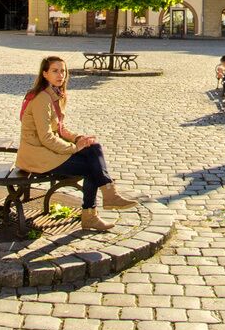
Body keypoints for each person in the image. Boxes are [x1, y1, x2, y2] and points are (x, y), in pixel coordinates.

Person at [17, 56, 136, 230]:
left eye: (63, 71)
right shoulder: (42, 99)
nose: (60, 75)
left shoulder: (54, 95)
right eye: (55, 71)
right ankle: (94, 210)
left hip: (47, 152)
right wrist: (73, 148)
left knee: (94, 147)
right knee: (91, 167)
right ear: (45, 74)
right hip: (37, 156)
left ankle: (107, 196)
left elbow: (60, 129)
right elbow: (46, 137)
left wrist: (78, 138)